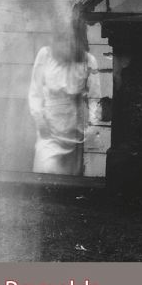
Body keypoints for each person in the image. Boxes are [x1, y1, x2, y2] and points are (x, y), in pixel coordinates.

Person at [28, 26, 101, 176]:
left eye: (71, 40)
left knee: (69, 181)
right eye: (62, 39)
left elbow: (95, 98)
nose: (67, 44)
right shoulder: (45, 55)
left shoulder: (88, 61)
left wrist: (92, 127)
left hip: (75, 134)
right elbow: (35, 92)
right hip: (49, 131)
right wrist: (39, 119)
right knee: (46, 171)